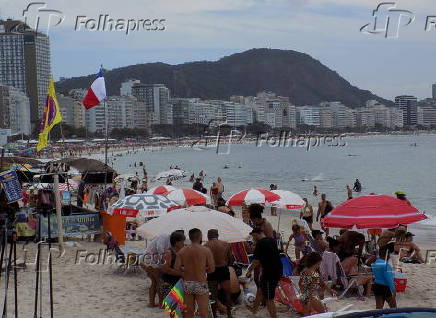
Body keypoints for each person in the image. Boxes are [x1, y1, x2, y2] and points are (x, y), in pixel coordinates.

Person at [175, 228, 215, 318]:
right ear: (200, 237)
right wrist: (202, 270)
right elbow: (212, 269)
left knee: (189, 312)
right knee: (203, 312)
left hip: (188, 283)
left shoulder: (182, 251)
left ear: (189, 237)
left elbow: (176, 268)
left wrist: (185, 271)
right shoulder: (206, 250)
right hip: (200, 282)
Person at [246, 228, 283, 318]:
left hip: (269, 273)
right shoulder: (272, 240)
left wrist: (249, 271)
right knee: (260, 290)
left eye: (253, 236)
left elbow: (256, 261)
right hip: (277, 270)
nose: (253, 238)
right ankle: (254, 310)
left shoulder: (260, 243)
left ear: (256, 234)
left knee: (269, 299)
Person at [204, 229, 234, 318]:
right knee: (227, 294)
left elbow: (205, 262)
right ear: (217, 235)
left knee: (213, 296)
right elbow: (231, 259)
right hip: (223, 269)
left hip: (211, 271)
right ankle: (229, 314)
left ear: (209, 236)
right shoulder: (226, 244)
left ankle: (215, 315)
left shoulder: (206, 246)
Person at [160, 232, 185, 298]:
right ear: (176, 242)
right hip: (168, 282)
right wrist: (181, 273)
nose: (183, 244)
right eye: (182, 242)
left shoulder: (179, 252)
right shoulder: (168, 253)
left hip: (176, 281)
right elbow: (165, 269)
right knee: (171, 305)